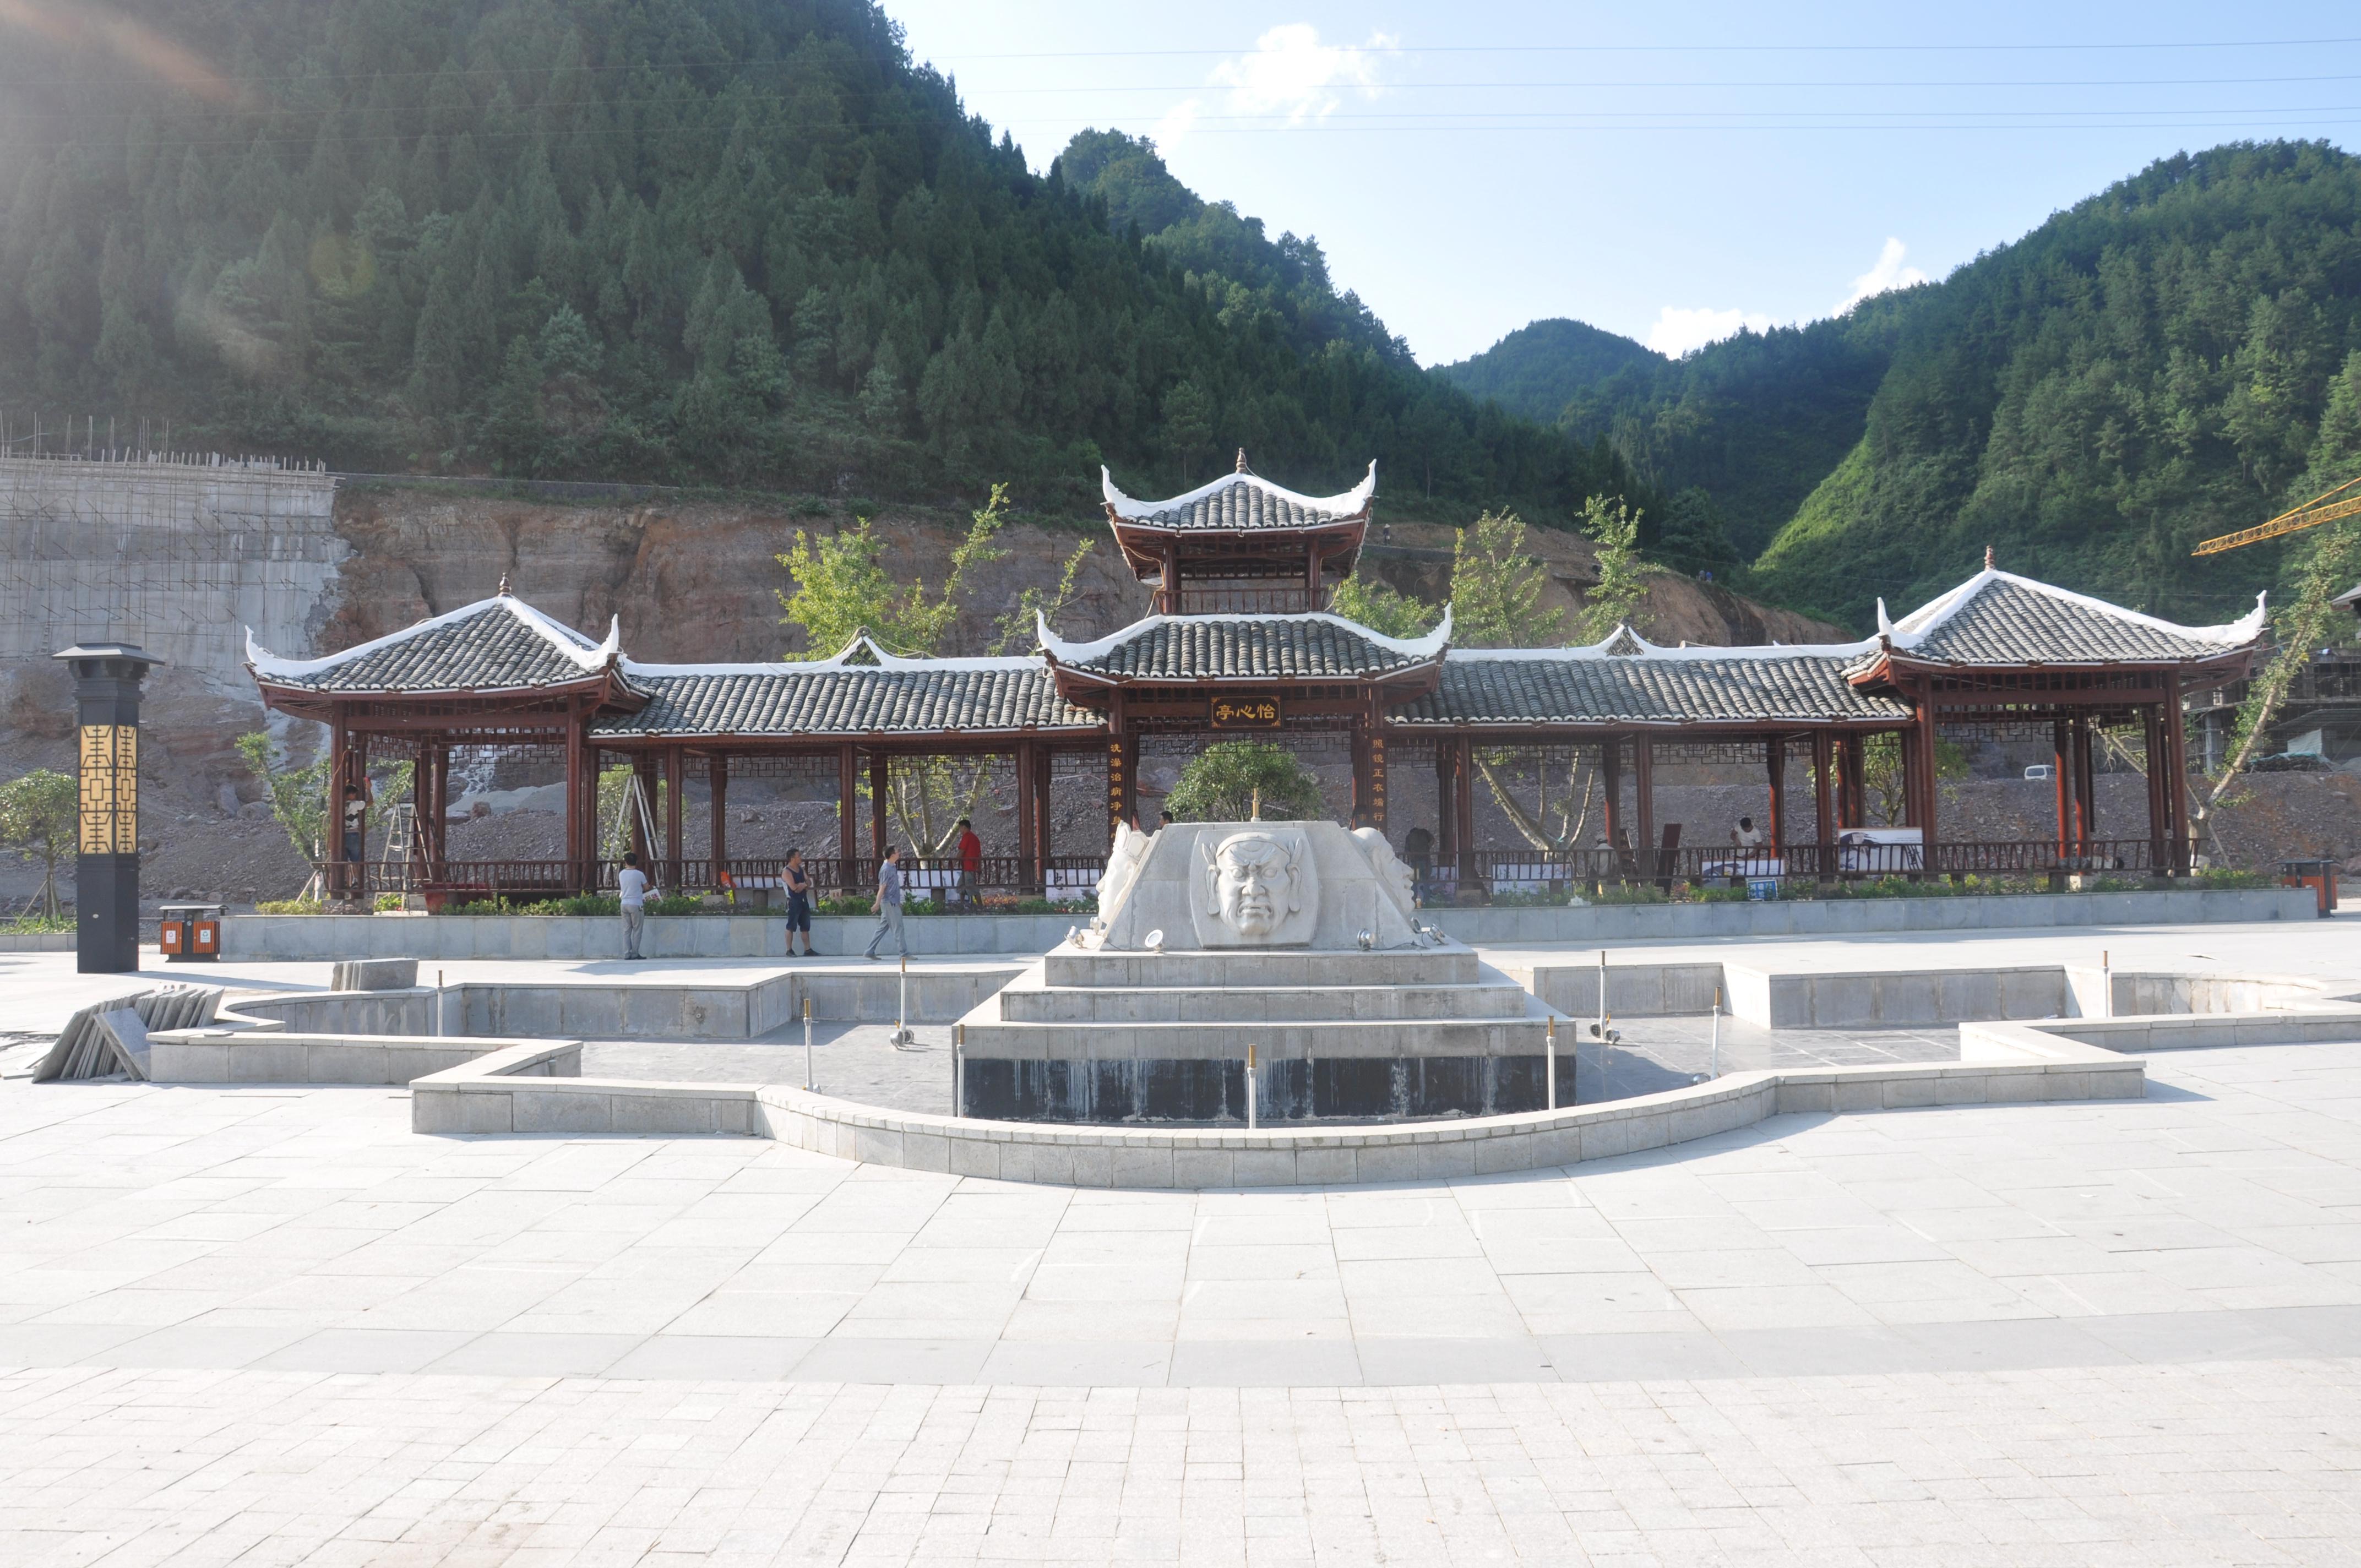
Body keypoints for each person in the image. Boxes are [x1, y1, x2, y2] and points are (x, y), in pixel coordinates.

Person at [863, 845, 906, 960]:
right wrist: (877, 904)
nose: (899, 853)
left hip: (892, 902)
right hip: (889, 902)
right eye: (897, 852)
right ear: (892, 855)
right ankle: (904, 953)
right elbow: (882, 888)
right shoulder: (886, 869)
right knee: (898, 928)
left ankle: (869, 951)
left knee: (882, 928)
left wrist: (898, 901)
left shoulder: (892, 867)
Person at [782, 850, 817, 956]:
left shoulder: (801, 869)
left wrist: (803, 885)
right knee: (791, 925)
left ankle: (808, 949)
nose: (800, 858)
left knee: (805, 926)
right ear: (793, 858)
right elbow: (794, 888)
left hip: (803, 900)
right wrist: (802, 885)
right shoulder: (787, 872)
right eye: (799, 856)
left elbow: (809, 882)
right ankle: (789, 950)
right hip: (793, 901)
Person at [617, 851, 648, 960]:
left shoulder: (621, 874)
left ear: (625, 862)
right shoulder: (639, 874)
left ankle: (626, 953)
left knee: (627, 930)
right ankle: (635, 953)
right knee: (637, 929)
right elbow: (646, 887)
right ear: (636, 862)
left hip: (624, 903)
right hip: (636, 904)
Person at [955, 817, 982, 912]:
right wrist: (980, 866)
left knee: (972, 887)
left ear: (964, 827)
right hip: (970, 867)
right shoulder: (975, 838)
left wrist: (954, 862)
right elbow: (979, 854)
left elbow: (962, 851)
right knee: (961, 885)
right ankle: (962, 905)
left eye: (960, 828)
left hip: (969, 866)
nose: (960, 830)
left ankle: (980, 906)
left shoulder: (967, 837)